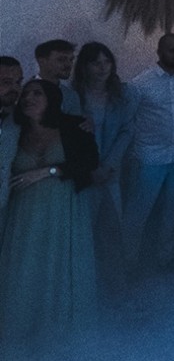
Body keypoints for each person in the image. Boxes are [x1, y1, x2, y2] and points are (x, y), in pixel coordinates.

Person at [0, 80, 98, 339]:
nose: (29, 98)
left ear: (51, 98)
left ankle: (61, 328)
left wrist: (47, 171)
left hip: (64, 209)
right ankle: (24, 328)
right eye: (25, 94)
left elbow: (89, 162)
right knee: (28, 265)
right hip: (26, 214)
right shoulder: (13, 130)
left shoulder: (75, 125)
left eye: (37, 93)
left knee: (61, 262)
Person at [123, 33, 174, 271]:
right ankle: (129, 261)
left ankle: (166, 257)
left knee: (172, 209)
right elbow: (128, 118)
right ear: (159, 52)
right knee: (138, 210)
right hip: (149, 155)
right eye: (173, 50)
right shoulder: (141, 83)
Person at [72, 42, 133, 291]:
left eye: (106, 62)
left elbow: (127, 131)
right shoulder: (72, 96)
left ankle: (115, 285)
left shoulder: (122, 94)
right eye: (96, 62)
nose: (102, 68)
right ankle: (86, 287)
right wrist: (89, 169)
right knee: (84, 233)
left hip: (110, 172)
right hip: (84, 175)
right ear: (84, 66)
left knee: (112, 229)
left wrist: (108, 166)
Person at [0, 57, 25, 220]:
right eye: (6, 82)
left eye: (18, 82)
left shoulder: (23, 118)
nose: (14, 89)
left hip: (8, 207)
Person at [34, 39, 81, 116]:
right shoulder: (23, 93)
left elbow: (75, 126)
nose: (69, 65)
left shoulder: (71, 96)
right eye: (61, 60)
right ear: (42, 61)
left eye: (71, 60)